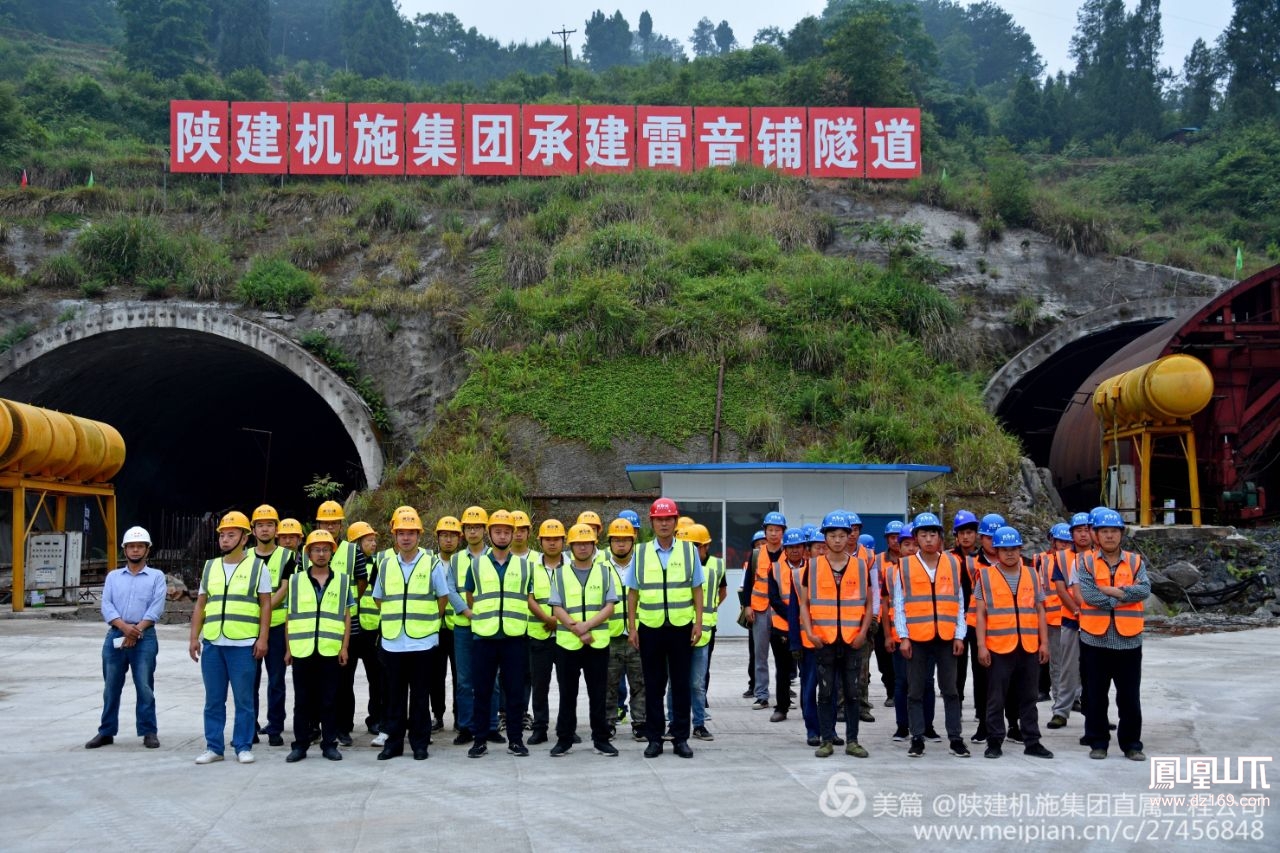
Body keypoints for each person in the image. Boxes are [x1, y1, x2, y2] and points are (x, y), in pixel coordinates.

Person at [373, 507, 467, 761]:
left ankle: (420, 743)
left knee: (420, 696)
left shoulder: (431, 563)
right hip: (393, 642)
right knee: (394, 697)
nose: (406, 538)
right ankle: (393, 744)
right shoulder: (385, 564)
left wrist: (424, 623)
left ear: (419, 536)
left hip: (423, 642)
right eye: (401, 533)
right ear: (394, 536)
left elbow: (443, 597)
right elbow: (379, 598)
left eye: (411, 533)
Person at [189, 511, 272, 764]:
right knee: (213, 700)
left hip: (243, 643)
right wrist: (194, 637)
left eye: (231, 534)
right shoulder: (210, 566)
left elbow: (266, 605)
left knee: (244, 700)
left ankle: (243, 745)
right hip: (213, 643)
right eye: (222, 535)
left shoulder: (259, 567)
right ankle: (214, 747)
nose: (225, 540)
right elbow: (201, 605)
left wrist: (263, 639)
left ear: (244, 538)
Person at [628, 497, 704, 758]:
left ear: (675, 521)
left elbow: (697, 589)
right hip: (650, 627)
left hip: (681, 626)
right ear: (652, 522)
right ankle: (655, 738)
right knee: (653, 684)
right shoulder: (640, 552)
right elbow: (633, 593)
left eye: (668, 518)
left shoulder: (688, 551)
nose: (664, 523)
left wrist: (699, 622)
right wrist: (632, 627)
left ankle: (681, 737)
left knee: (681, 684)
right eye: (659, 519)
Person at [894, 512, 969, 759]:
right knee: (915, 690)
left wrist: (960, 635)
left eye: (933, 534)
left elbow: (959, 603)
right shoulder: (904, 566)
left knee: (950, 690)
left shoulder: (953, 563)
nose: (928, 539)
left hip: (947, 638)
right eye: (923, 535)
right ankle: (917, 738)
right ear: (915, 538)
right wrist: (903, 636)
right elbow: (899, 603)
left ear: (940, 537)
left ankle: (955, 738)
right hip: (916, 637)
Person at [1077, 509, 1151, 761]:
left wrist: (1114, 592)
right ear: (1096, 535)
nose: (1110, 536)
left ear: (1121, 534)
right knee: (1096, 695)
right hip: (1094, 639)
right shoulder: (1085, 561)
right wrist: (1122, 596)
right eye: (1105, 531)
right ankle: (1098, 742)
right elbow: (1090, 596)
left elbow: (1144, 590)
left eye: (1114, 531)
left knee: (1129, 696)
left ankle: (1132, 744)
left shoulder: (1135, 561)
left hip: (1129, 640)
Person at [974, 526, 1053, 760]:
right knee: (996, 697)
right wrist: (981, 645)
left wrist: (1044, 643)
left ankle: (1032, 741)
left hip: (1028, 646)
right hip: (998, 647)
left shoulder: (1031, 574)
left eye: (1014, 549)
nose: (1010, 554)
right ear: (996, 551)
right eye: (1004, 550)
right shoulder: (985, 576)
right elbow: (980, 614)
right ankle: (994, 741)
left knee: (1029, 696)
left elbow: (1040, 610)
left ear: (1020, 550)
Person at [86, 525, 166, 751]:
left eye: (140, 546)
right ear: (125, 549)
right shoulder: (113, 577)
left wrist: (136, 630)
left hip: (145, 637)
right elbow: (106, 605)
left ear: (147, 550)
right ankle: (106, 731)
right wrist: (124, 627)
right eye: (131, 546)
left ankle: (149, 731)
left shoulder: (156, 577)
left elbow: (156, 607)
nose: (135, 550)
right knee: (111, 687)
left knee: (144, 686)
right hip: (115, 635)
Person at [801, 511, 873, 758]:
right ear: (825, 537)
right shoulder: (812, 567)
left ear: (850, 536)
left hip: (853, 640)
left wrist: (864, 633)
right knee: (826, 692)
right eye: (833, 535)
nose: (838, 540)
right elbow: (803, 603)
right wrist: (810, 633)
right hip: (824, 640)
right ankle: (826, 740)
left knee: (852, 693)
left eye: (843, 535)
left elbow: (869, 604)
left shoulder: (861, 566)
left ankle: (852, 741)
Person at [465, 509, 534, 758]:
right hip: (484, 637)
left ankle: (515, 740)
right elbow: (470, 596)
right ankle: (479, 740)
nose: (502, 536)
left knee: (515, 693)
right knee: (482, 692)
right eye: (498, 531)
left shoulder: (525, 566)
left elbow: (529, 597)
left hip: (514, 638)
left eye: (507, 532)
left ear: (514, 534)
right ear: (489, 533)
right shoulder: (476, 565)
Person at [549, 523, 619, 756]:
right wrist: (577, 629)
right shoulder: (559, 574)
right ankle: (564, 739)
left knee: (598, 693)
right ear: (571, 546)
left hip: (597, 643)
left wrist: (587, 626)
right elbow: (556, 608)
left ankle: (601, 739)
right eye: (577, 543)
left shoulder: (605, 572)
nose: (582, 547)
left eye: (586, 543)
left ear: (593, 545)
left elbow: (610, 606)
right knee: (567, 694)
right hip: (567, 644)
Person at [284, 529, 351, 762]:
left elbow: (346, 616)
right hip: (302, 649)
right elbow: (289, 616)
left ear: (332, 552)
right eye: (316, 550)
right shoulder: (295, 580)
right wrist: (288, 648)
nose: (321, 554)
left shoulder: (342, 580)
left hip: (330, 650)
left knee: (330, 700)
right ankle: (300, 745)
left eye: (325, 549)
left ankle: (329, 744)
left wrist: (344, 647)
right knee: (302, 701)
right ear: (308, 554)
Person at [314, 500, 367, 747]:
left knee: (345, 682)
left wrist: (347, 607)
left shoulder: (352, 551)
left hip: (347, 626)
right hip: (317, 627)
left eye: (335, 522)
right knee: (320, 682)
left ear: (341, 524)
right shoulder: (310, 550)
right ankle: (322, 726)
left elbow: (361, 581)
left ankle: (344, 728)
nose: (331, 526)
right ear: (319, 523)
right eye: (326, 522)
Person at [251, 504, 296, 747]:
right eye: (260, 525)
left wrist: (264, 607)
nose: (265, 529)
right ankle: (251, 724)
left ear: (276, 529)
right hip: (251, 627)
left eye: (269, 525)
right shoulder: (246, 557)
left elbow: (285, 586)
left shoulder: (288, 556)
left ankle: (276, 726)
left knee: (276, 679)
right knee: (250, 680)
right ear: (253, 529)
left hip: (278, 625)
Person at [604, 517, 647, 742]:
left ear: (633, 540)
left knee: (639, 682)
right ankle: (608, 722)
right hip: (609, 636)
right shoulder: (600, 564)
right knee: (609, 683)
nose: (621, 544)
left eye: (625, 540)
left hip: (637, 635)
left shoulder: (642, 563)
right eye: (616, 540)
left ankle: (640, 722)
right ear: (609, 542)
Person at [1047, 512, 1092, 729]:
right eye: (1078, 531)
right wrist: (1075, 610)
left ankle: (1095, 712)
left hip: (1097, 623)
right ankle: (1061, 711)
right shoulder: (1062, 558)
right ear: (1072, 533)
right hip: (1070, 620)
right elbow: (1061, 588)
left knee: (1094, 671)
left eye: (1086, 530)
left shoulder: (1101, 555)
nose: (1083, 535)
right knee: (1067, 668)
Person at [526, 518, 565, 745]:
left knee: (567, 685)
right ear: (540, 541)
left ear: (563, 541)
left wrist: (558, 621)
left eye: (556, 539)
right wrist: (547, 619)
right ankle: (540, 728)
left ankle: (565, 727)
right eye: (548, 539)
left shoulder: (571, 566)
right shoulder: (531, 567)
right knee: (539, 685)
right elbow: (529, 598)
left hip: (565, 637)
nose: (552, 543)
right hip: (539, 635)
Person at [686, 523, 725, 741]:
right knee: (676, 683)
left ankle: (699, 723)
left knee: (698, 683)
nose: (692, 550)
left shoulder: (717, 566)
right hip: (678, 630)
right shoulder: (677, 566)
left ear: (706, 546)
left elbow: (722, 591)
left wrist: (705, 615)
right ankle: (674, 722)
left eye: (696, 546)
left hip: (703, 632)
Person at [747, 512, 789, 714]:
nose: (773, 534)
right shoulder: (757, 554)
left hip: (782, 611)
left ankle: (785, 695)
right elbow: (749, 582)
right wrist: (747, 606)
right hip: (761, 609)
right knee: (760, 654)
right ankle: (762, 695)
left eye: (777, 530)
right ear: (765, 531)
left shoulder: (789, 553)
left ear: (783, 532)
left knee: (786, 656)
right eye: (770, 530)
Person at [347, 520, 385, 739]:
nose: (373, 543)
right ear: (355, 543)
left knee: (377, 679)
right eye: (368, 540)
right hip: (350, 630)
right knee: (346, 679)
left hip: (372, 630)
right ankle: (346, 721)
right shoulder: (346, 566)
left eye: (374, 540)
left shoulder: (380, 564)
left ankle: (375, 719)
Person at [432, 515, 465, 745]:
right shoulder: (430, 562)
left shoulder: (463, 563)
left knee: (460, 676)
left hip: (458, 627)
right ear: (438, 538)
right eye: (444, 535)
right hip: (434, 628)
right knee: (435, 676)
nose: (448, 540)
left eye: (453, 535)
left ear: (459, 538)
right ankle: (437, 715)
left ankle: (460, 716)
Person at [737, 528, 766, 699]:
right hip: (755, 612)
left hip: (776, 614)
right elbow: (744, 588)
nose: (762, 546)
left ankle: (784, 685)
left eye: (764, 543)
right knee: (755, 652)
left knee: (781, 654)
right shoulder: (751, 563)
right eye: (758, 544)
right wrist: (746, 607)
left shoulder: (778, 559)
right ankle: (753, 684)